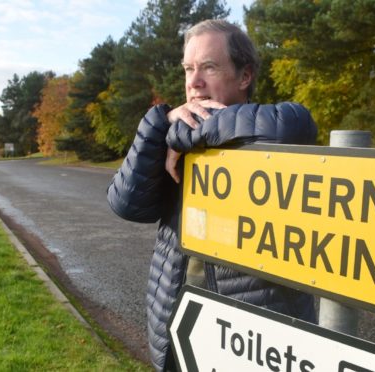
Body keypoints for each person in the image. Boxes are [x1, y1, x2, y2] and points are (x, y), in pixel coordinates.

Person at [107, 19, 317, 371]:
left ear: (244, 76)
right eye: (189, 69)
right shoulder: (169, 129)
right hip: (177, 331)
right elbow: (126, 203)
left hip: (253, 344)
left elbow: (297, 124)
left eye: (209, 67)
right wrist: (165, 127)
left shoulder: (268, 132)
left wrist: (180, 137)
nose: (193, 82)